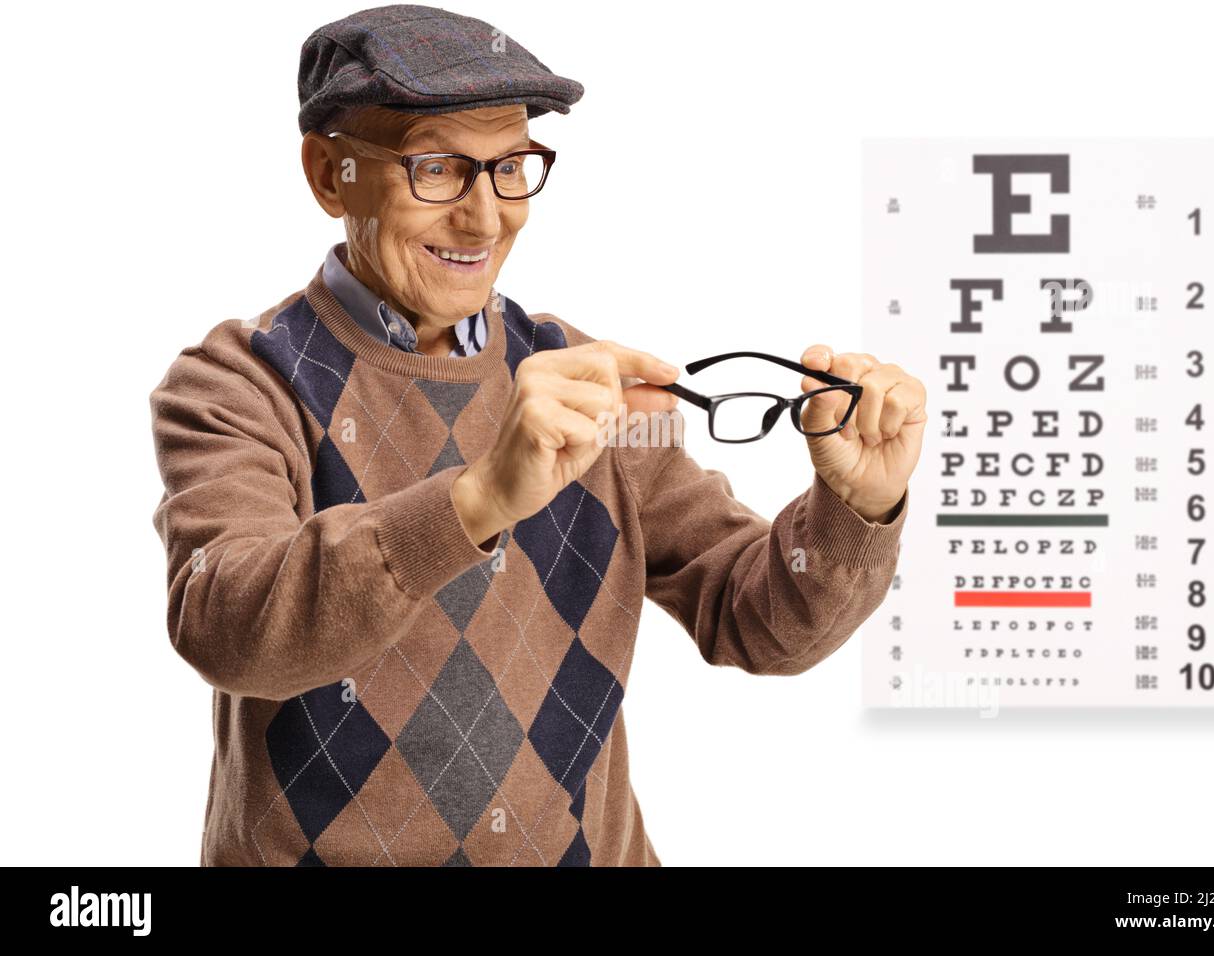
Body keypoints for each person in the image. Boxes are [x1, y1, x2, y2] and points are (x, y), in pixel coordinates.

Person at [148, 4, 925, 866]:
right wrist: (477, 499)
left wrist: (856, 506)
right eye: (437, 169)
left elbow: (754, 621)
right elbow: (226, 627)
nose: (485, 220)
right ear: (330, 174)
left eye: (511, 167)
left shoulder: (578, 373)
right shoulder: (238, 382)